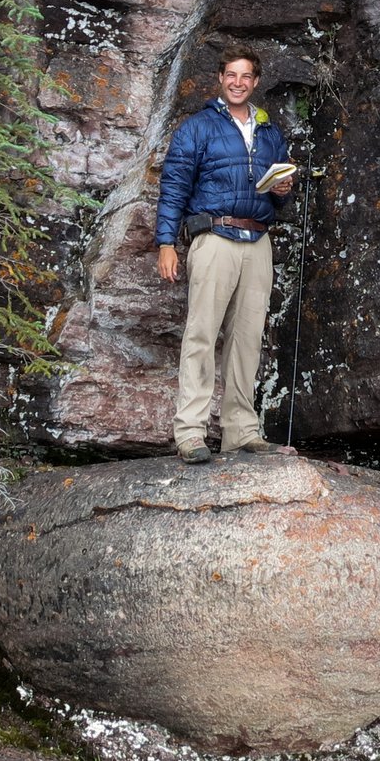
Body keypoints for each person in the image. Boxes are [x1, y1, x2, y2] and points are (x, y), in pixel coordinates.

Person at [155, 44, 298, 464]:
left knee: (248, 340)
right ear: (220, 78)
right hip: (214, 238)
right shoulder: (197, 127)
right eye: (231, 75)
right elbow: (174, 187)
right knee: (201, 335)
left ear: (255, 82)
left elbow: (277, 197)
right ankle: (191, 433)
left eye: (246, 76)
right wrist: (167, 243)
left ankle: (241, 432)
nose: (238, 83)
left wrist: (283, 190)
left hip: (258, 241)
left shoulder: (270, 133)